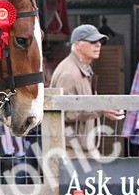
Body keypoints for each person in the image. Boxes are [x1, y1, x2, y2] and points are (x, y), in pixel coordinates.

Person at [49, 24, 122, 163]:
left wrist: (102, 109)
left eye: (99, 41)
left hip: (83, 150)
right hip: (72, 153)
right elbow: (66, 112)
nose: (98, 45)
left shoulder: (82, 68)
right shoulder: (69, 74)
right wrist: (100, 109)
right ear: (78, 44)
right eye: (93, 41)